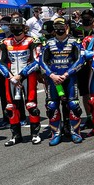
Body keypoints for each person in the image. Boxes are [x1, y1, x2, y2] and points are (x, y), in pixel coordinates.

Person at [39, 17, 85, 146]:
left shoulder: (75, 42)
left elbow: (80, 60)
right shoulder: (47, 43)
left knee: (74, 105)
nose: (59, 29)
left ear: (66, 27)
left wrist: (67, 73)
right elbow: (42, 62)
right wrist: (52, 75)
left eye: (61, 26)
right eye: (56, 27)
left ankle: (75, 132)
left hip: (69, 78)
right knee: (52, 106)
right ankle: (56, 133)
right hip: (54, 80)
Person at [0, 17, 41, 145]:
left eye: (18, 27)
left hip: (28, 76)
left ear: (24, 27)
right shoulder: (5, 42)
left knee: (31, 106)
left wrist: (21, 75)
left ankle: (35, 134)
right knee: (11, 107)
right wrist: (10, 76)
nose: (15, 29)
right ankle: (16, 136)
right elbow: (0, 62)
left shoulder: (32, 40)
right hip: (10, 78)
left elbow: (37, 61)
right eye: (13, 26)